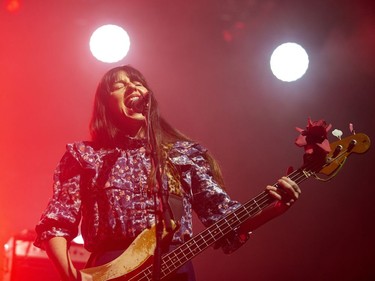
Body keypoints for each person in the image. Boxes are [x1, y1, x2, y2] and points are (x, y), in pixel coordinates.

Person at [34, 65, 301, 281]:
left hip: (177, 269)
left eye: (138, 82)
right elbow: (56, 223)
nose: (132, 86)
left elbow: (225, 219)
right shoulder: (85, 156)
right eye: (119, 84)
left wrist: (274, 209)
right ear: (106, 103)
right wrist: (70, 276)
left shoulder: (182, 155)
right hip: (109, 268)